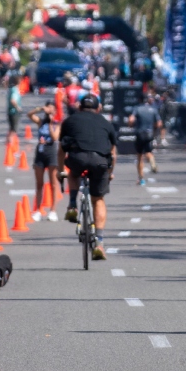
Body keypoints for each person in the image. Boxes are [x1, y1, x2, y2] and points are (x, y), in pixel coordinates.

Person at [59, 93, 116, 260]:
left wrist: (60, 170)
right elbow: (113, 153)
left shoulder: (70, 121)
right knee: (98, 200)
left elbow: (61, 149)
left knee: (72, 172)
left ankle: (72, 205)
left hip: (78, 158)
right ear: (99, 108)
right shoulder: (106, 123)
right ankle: (99, 242)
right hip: (100, 162)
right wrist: (110, 173)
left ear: (79, 107)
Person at [28, 101, 60, 221]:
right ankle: (37, 210)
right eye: (48, 108)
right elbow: (29, 115)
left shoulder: (57, 124)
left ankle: (53, 210)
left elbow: (55, 137)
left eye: (52, 108)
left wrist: (51, 123)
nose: (49, 110)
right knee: (39, 183)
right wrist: (40, 108)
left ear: (55, 111)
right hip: (40, 152)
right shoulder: (41, 122)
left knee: (53, 183)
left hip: (51, 152)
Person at [130, 94, 159, 185]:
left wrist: (131, 125)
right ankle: (152, 162)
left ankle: (141, 178)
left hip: (140, 133)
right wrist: (154, 130)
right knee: (148, 152)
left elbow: (131, 119)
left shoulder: (137, 109)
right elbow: (159, 123)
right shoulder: (153, 109)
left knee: (139, 156)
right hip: (149, 133)